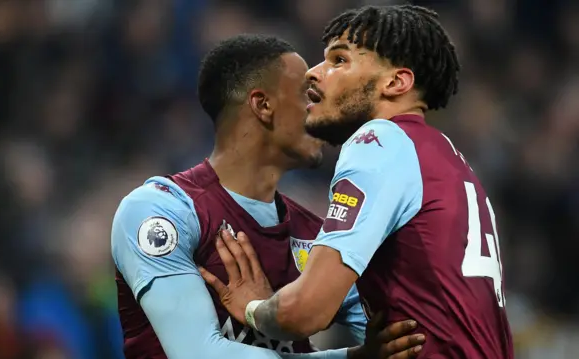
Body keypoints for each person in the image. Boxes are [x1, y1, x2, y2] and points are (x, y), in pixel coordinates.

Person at [200, 5, 514, 359]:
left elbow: (305, 311)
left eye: (338, 60)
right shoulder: (447, 159)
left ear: (396, 83)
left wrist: (254, 308)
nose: (313, 75)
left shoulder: (379, 142)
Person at [111, 34, 425, 359]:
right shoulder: (160, 211)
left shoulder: (318, 237)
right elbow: (198, 353)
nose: (323, 112)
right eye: (309, 96)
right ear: (263, 105)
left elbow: (402, 337)